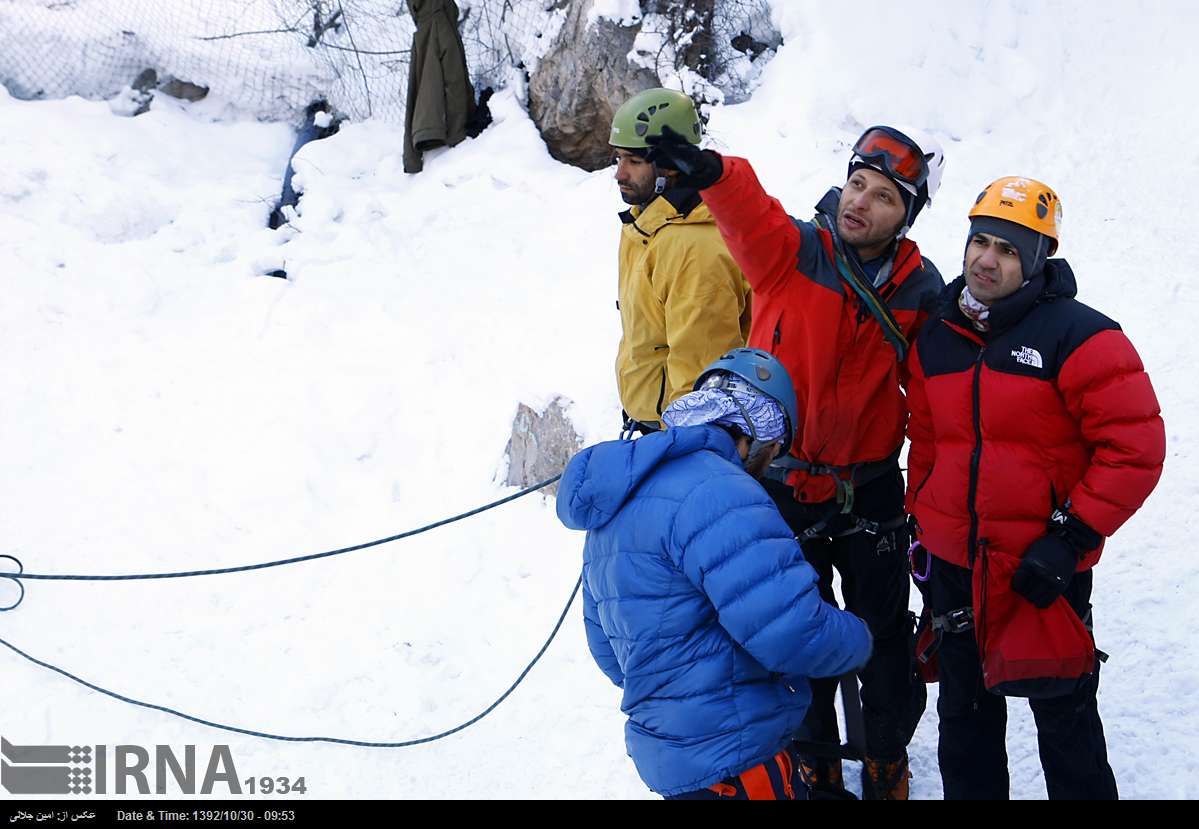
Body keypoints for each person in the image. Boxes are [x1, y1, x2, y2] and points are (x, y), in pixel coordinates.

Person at [645, 124, 946, 798]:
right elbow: (748, 211)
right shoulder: (792, 252)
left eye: (883, 197)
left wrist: (926, 498)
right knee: (790, 631)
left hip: (868, 489)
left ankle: (884, 753)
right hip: (780, 483)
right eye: (857, 183)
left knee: (882, 636)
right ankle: (811, 752)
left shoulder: (919, 290)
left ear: (906, 216)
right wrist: (714, 171)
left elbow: (930, 400)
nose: (860, 202)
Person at [904, 176, 1165, 799]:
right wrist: (925, 524)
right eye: (980, 242)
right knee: (964, 726)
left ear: (1038, 259)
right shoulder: (938, 335)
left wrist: (1070, 538)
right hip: (956, 568)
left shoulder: (1082, 335)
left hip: (1041, 567)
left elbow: (1136, 449)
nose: (986, 260)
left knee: (1065, 722)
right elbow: (930, 442)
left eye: (1009, 249)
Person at [557, 348, 872, 800]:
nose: (771, 463)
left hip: (673, 759)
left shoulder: (622, 498)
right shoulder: (725, 490)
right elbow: (792, 631)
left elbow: (608, 650)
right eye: (776, 450)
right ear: (758, 435)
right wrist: (860, 637)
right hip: (737, 756)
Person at [609, 88, 751, 435]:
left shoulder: (694, 248)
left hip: (679, 438)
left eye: (634, 161)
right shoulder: (648, 224)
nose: (619, 174)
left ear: (670, 168)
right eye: (618, 159)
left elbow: (700, 377)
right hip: (653, 427)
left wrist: (677, 448)